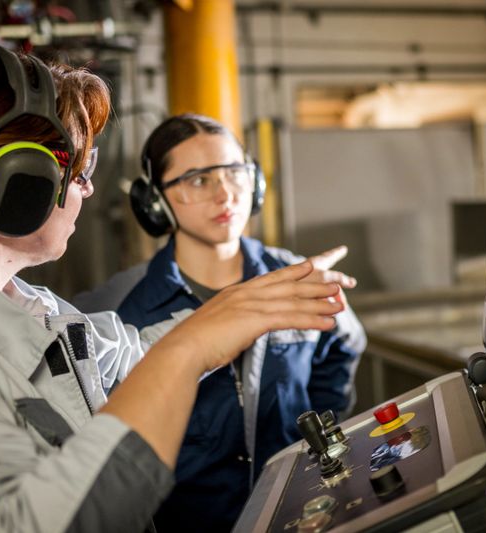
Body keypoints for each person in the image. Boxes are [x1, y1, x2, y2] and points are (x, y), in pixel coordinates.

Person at [0, 44, 345, 533]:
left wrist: (238, 309)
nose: (89, 188)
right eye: (79, 169)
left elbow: (129, 360)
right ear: (20, 179)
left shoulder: (27, 305)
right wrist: (188, 352)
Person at [74, 113, 367, 532]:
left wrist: (310, 439)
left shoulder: (295, 276)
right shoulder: (120, 309)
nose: (225, 194)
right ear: (155, 202)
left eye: (234, 172)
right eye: (197, 179)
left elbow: (344, 346)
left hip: (300, 515)